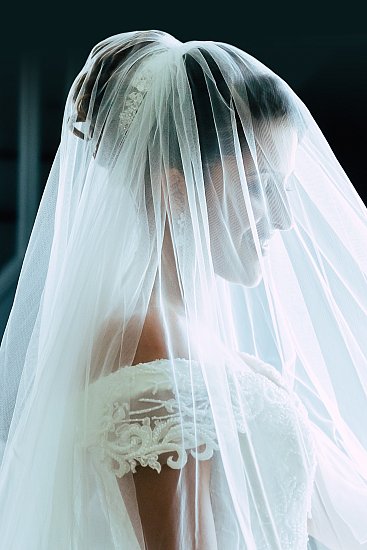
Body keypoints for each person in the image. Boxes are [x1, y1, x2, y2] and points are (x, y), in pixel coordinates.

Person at [0, 29, 366, 550]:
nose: (283, 219)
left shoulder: (186, 333)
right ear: (177, 186)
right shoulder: (151, 345)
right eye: (261, 187)